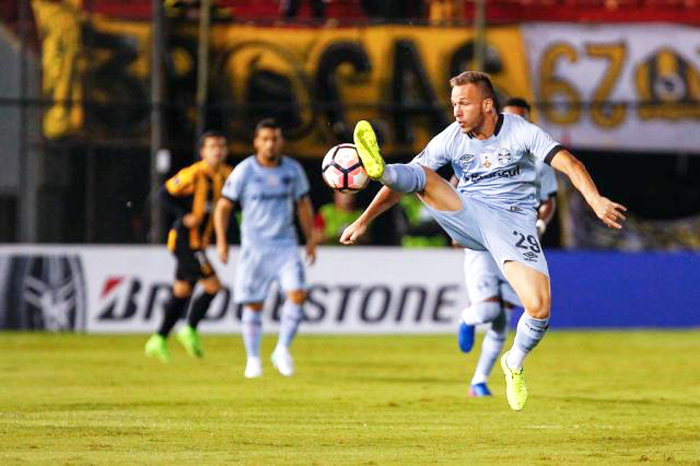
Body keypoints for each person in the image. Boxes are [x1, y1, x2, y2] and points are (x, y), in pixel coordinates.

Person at [341, 71, 626, 410]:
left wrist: (594, 199)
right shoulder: (451, 137)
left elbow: (570, 163)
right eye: (453, 105)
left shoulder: (520, 130)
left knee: (539, 309)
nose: (456, 112)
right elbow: (411, 181)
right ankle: (381, 167)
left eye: (463, 104)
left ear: (487, 105)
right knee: (423, 175)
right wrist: (363, 219)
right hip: (469, 212)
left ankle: (514, 362)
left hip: (513, 224)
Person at [455, 97, 559, 398]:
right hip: (483, 242)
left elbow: (549, 200)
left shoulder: (540, 157)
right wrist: (455, 224)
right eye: (510, 117)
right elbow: (450, 185)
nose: (516, 124)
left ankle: (479, 381)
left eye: (521, 119)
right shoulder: (476, 147)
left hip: (517, 242)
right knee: (488, 310)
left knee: (503, 322)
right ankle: (467, 317)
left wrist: (540, 225)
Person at [214, 118, 316, 379]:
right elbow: (223, 207)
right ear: (257, 142)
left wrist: (311, 239)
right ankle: (253, 359)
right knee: (254, 305)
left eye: (275, 139)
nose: (270, 144)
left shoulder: (292, 170)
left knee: (297, 295)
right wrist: (222, 241)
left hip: (286, 245)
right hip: (255, 248)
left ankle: (281, 349)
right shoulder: (245, 171)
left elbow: (303, 206)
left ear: (281, 141)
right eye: (265, 139)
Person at [145, 130, 233, 363]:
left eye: (221, 146)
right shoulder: (193, 174)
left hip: (199, 244)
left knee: (182, 292)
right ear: (203, 151)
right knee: (213, 286)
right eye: (212, 146)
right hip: (185, 241)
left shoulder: (227, 175)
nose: (217, 150)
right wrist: (184, 215)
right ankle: (189, 328)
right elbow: (162, 194)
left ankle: (158, 339)